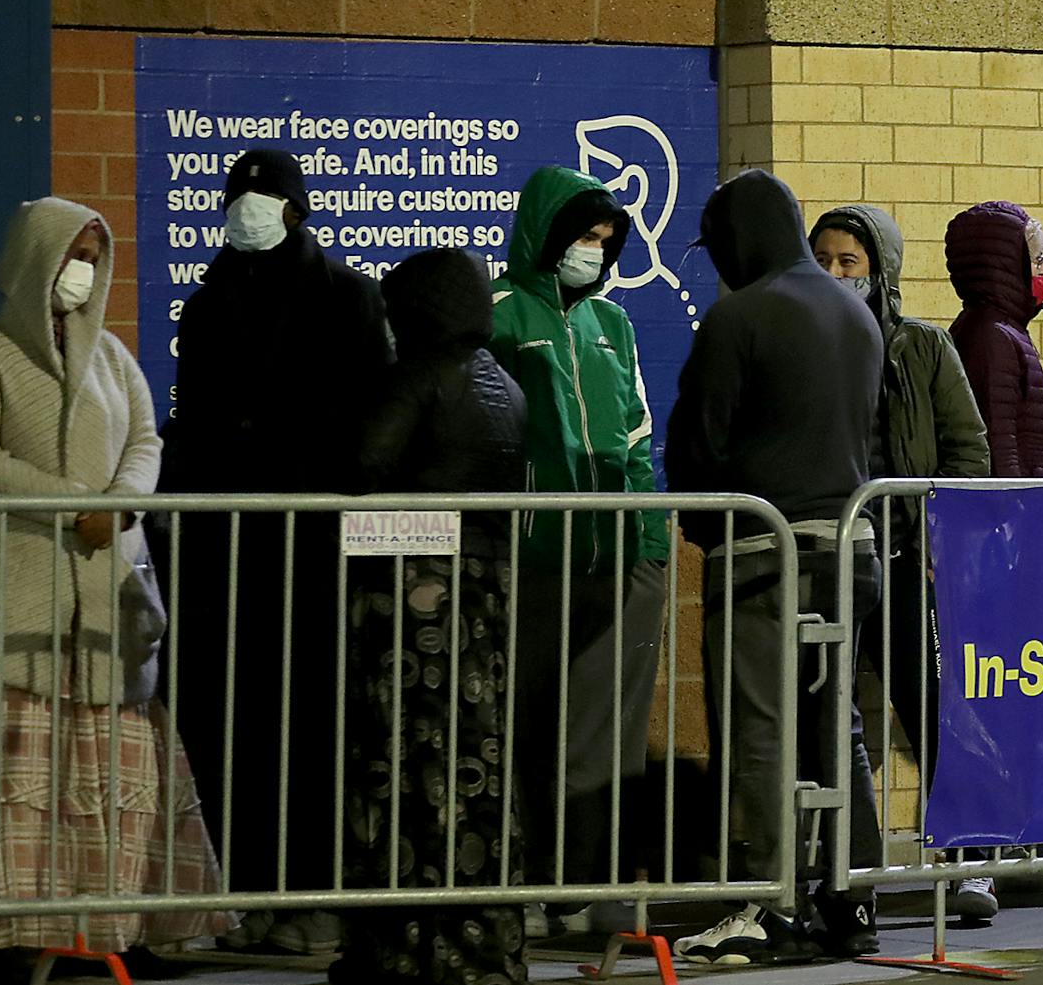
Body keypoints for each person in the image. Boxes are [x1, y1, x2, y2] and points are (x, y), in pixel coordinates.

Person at [0, 199, 224, 977]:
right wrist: (68, 501)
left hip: (109, 599)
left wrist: (120, 499)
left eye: (95, 251)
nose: (82, 269)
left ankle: (106, 919)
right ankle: (25, 926)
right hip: (25, 599)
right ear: (37, 262)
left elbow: (147, 436)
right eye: (72, 252)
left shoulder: (114, 357)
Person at [169, 148, 392, 953]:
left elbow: (371, 424)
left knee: (316, 725)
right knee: (233, 723)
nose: (248, 208)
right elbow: (193, 422)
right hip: (226, 555)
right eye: (238, 195)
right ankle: (241, 890)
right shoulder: (207, 305)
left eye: (264, 196)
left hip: (315, 555)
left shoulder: (348, 299)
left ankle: (314, 891)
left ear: (296, 207)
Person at [667, 169, 885, 964]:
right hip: (849, 551)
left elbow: (700, 442)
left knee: (758, 729)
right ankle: (851, 896)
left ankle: (769, 901)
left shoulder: (739, 315)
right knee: (839, 727)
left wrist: (701, 523)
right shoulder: (854, 313)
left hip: (764, 554)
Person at [333, 248, 528, 985]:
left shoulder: (419, 374)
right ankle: (479, 943)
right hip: (482, 600)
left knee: (404, 769)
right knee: (474, 768)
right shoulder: (505, 383)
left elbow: (364, 461)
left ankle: (405, 948)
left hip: (409, 604)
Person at [488, 166, 667, 919]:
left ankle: (585, 882)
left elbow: (635, 438)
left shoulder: (613, 325)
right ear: (546, 233)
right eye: (583, 236)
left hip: (614, 561)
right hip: (529, 561)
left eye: (604, 240)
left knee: (603, 736)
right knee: (526, 726)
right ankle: (526, 878)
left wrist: (650, 540)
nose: (593, 251)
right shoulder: (497, 312)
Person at [809, 205, 997, 922]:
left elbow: (968, 452)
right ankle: (842, 864)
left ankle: (971, 858)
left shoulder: (922, 347)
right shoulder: (809, 345)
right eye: (821, 259)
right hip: (835, 562)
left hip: (907, 559)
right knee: (831, 716)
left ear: (879, 269)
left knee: (936, 712)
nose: (832, 273)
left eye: (847, 262)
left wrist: (937, 543)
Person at [944, 202, 1043, 477]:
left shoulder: (1001, 330)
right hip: (1017, 510)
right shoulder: (992, 337)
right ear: (1008, 265)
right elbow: (998, 441)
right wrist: (1013, 510)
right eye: (1037, 260)